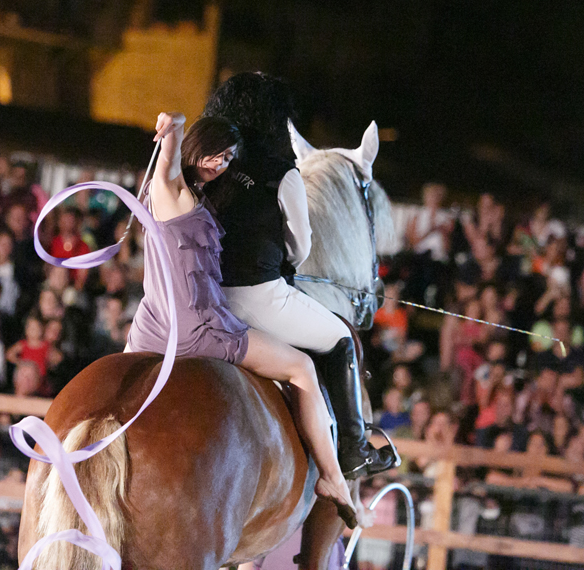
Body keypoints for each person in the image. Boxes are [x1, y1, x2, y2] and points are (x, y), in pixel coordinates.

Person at [126, 111, 357, 526]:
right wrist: (173, 124)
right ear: (197, 146)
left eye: (229, 158)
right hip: (199, 329)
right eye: (216, 154)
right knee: (302, 367)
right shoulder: (171, 188)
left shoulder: (186, 192)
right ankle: (334, 478)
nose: (221, 164)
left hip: (150, 328)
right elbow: (170, 153)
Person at [200, 72, 398, 478]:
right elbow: (300, 248)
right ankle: (353, 449)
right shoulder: (282, 172)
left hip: (196, 294)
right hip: (254, 298)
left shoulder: (208, 163)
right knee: (341, 338)